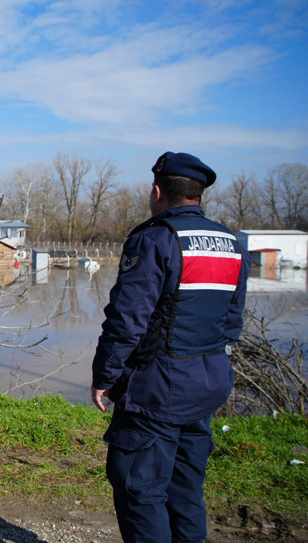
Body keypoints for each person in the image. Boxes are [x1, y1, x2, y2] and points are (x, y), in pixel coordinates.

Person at [90, 152, 251, 542]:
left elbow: (127, 321)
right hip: (208, 382)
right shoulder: (231, 243)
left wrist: (105, 377)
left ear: (157, 191)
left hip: (157, 390)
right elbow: (232, 322)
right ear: (198, 194)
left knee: (140, 492)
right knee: (185, 490)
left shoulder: (155, 239)